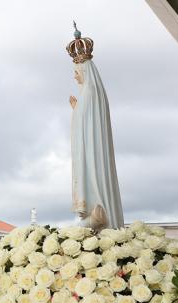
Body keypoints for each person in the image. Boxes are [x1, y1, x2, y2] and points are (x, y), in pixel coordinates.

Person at [67, 23, 124, 231]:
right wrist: (77, 109)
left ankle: (97, 213)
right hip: (93, 146)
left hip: (92, 151)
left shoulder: (89, 91)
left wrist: (77, 111)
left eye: (76, 71)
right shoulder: (90, 92)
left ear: (83, 68)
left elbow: (85, 124)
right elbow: (87, 121)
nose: (74, 75)